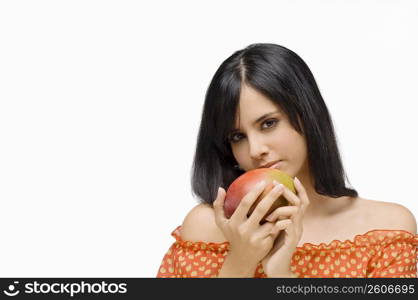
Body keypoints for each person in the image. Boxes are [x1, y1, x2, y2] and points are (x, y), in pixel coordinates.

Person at [157, 43, 418, 278]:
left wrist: (282, 276)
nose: (256, 149)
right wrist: (239, 264)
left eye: (268, 123)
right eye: (237, 136)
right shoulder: (207, 230)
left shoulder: (387, 230)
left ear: (307, 115)